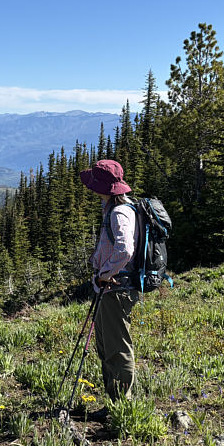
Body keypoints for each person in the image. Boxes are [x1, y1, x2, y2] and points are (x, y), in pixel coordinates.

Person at [80, 159, 140, 402]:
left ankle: (121, 404)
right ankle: (114, 400)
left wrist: (106, 273)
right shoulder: (120, 207)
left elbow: (125, 250)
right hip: (112, 288)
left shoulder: (118, 213)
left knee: (117, 347)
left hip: (116, 288)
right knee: (107, 345)